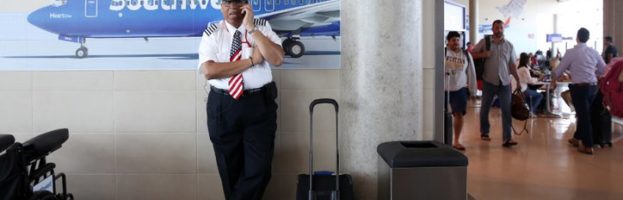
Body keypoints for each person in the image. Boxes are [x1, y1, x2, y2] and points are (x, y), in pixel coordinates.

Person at [197, 0, 284, 199]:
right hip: (223, 106)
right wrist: (251, 60)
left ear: (247, 5)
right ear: (221, 6)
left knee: (260, 170)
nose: (233, 8)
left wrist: (252, 29)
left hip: (259, 105)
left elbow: (277, 59)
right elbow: (210, 71)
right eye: (227, 3)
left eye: (238, 2)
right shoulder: (213, 32)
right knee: (229, 170)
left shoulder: (262, 27)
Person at [552, 28, 606, 155]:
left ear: (577, 37)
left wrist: (553, 79)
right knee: (584, 112)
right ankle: (577, 138)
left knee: (584, 115)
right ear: (588, 38)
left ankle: (588, 145)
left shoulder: (571, 52)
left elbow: (559, 70)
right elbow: (603, 69)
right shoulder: (593, 52)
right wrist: (593, 72)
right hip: (593, 88)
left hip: (580, 88)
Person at [472, 19, 521, 147]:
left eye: (501, 28)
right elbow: (472, 54)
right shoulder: (485, 42)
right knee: (484, 109)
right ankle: (484, 131)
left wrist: (518, 80)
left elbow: (512, 65)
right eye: (496, 28)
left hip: (505, 82)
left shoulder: (509, 45)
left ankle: (507, 138)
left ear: (503, 29)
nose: (499, 30)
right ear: (492, 29)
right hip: (489, 81)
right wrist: (484, 54)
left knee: (506, 110)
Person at [444, 31, 477, 151]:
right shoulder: (443, 52)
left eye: (458, 40)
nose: (456, 42)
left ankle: (456, 140)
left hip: (460, 89)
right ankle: (442, 140)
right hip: (443, 90)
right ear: (448, 41)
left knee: (458, 115)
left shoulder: (466, 54)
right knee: (441, 115)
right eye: (453, 40)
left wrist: (473, 91)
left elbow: (471, 73)